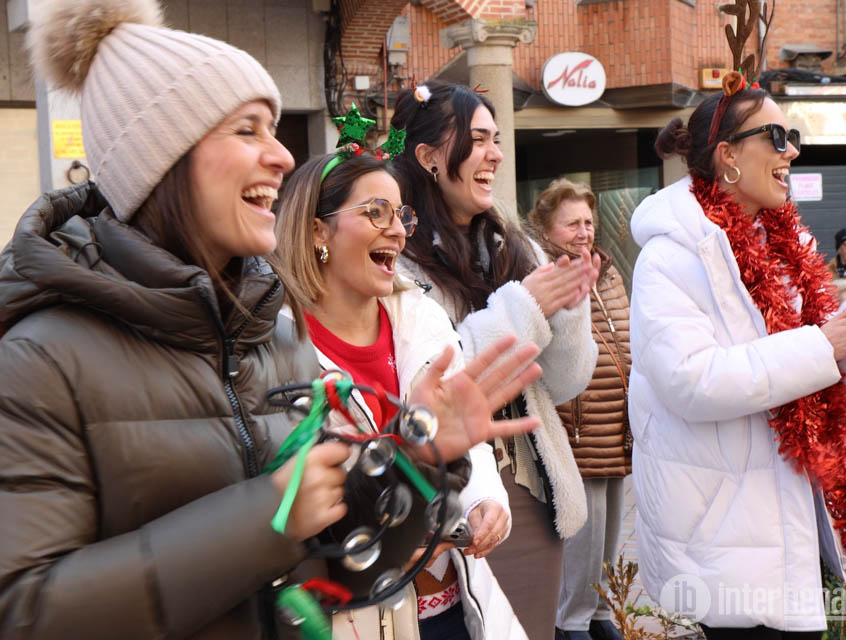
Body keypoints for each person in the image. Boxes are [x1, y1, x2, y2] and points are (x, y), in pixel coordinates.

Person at [0, 2, 542, 638]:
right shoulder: (40, 357)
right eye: (247, 130)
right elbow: (24, 610)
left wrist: (414, 463)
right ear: (162, 158)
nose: (283, 158)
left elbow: (331, 584)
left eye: (275, 129)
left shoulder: (274, 337)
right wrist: (264, 521)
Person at [630, 72, 846, 639]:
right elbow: (690, 381)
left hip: (779, 517)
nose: (792, 148)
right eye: (776, 135)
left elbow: (812, 374)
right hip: (721, 533)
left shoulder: (778, 248)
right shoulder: (672, 255)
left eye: (791, 134)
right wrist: (823, 343)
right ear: (728, 156)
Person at [273, 151, 528, 639]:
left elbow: (458, 437)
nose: (398, 230)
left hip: (460, 605)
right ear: (316, 231)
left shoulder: (423, 318)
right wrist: (392, 533)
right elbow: (292, 499)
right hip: (355, 619)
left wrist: (484, 501)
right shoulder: (276, 345)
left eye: (401, 214)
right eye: (376, 212)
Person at [389, 81, 600, 640]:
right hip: (458, 501)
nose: (496, 154)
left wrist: (568, 309)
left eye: (497, 139)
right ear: (429, 156)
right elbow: (440, 377)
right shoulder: (393, 257)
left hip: (528, 492)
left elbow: (562, 384)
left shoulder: (509, 243)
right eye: (478, 139)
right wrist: (526, 304)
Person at [527, 179, 630, 640]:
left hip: (615, 426)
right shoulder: (543, 277)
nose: (584, 232)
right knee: (582, 538)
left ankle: (599, 613)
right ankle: (570, 624)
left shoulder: (608, 273)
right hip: (576, 427)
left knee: (608, 534)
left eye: (588, 222)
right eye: (572, 223)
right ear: (547, 229)